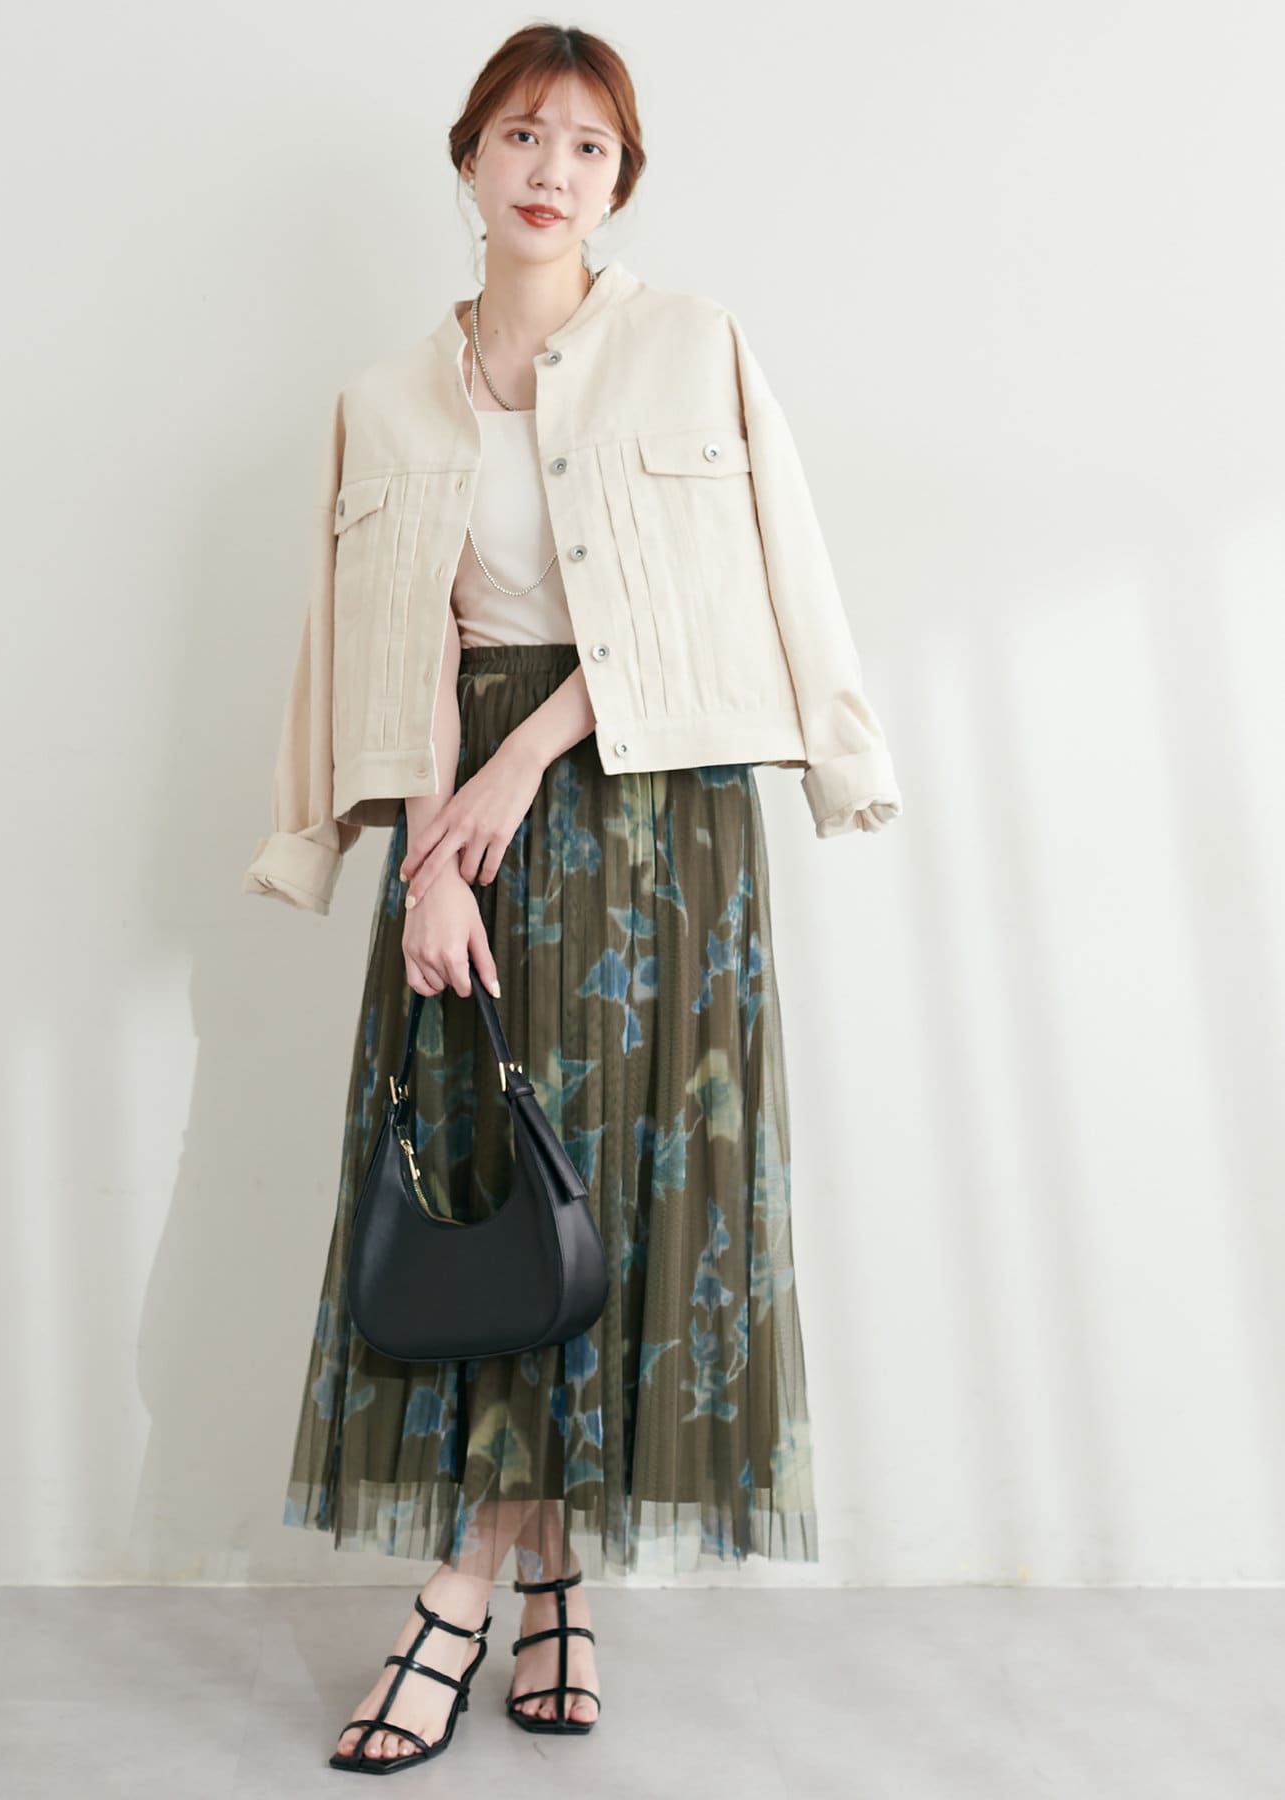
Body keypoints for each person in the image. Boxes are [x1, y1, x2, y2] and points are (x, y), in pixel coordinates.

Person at [243, 23, 902, 1776]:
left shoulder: (694, 348)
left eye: (590, 147)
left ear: (622, 181)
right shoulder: (385, 398)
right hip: (463, 830)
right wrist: (411, 863)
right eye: (523, 136)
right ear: (467, 159)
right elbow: (375, 644)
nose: (552, 171)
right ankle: (555, 1585)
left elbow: (741, 591)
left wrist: (530, 764)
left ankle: (456, 1593)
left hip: (646, 812)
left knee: (609, 1192)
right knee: (493, 1190)